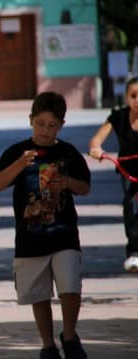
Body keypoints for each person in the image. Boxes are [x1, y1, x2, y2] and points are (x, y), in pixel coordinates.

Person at [0, 92, 91, 359]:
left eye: (52, 125)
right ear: (31, 121)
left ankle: (69, 336)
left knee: (70, 286)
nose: (46, 131)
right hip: (30, 237)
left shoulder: (68, 153)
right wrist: (20, 164)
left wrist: (67, 182)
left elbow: (85, 187)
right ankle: (47, 345)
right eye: (41, 124)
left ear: (61, 125)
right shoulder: (17, 152)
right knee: (39, 293)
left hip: (64, 233)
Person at [89, 76, 138, 272]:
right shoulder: (117, 117)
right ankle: (134, 253)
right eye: (133, 96)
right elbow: (96, 140)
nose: (137, 100)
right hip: (128, 172)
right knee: (131, 208)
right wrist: (96, 150)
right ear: (126, 97)